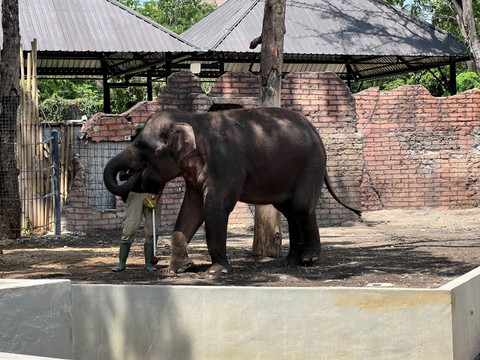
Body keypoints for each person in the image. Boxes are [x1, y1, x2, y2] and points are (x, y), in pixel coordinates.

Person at [112, 170, 162, 272]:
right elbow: (121, 176)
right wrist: (139, 174)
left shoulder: (157, 156)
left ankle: (149, 263)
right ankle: (121, 263)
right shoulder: (131, 156)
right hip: (134, 194)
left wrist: (157, 197)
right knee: (130, 228)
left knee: (152, 230)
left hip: (153, 195)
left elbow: (163, 177)